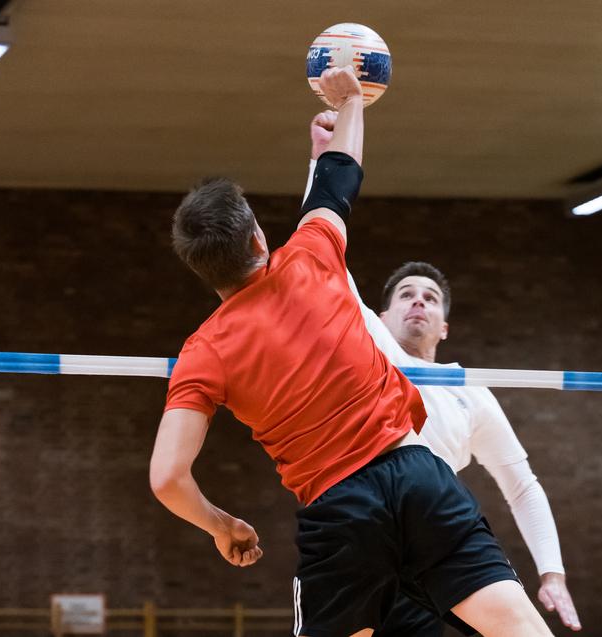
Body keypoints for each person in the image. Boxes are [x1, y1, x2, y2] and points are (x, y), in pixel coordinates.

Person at [149, 66, 555, 637]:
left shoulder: (203, 353)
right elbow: (341, 175)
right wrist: (350, 103)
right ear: (260, 239)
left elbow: (167, 477)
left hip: (341, 511)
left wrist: (222, 525)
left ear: (199, 269)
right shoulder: (312, 254)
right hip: (419, 476)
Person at [304, 115, 581, 636]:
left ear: (444, 326)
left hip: (431, 535)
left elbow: (521, 485)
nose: (418, 302)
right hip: (362, 520)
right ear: (380, 315)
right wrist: (321, 159)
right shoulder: (370, 341)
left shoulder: (469, 388)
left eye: (430, 298)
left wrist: (553, 574)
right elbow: (320, 258)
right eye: (406, 294)